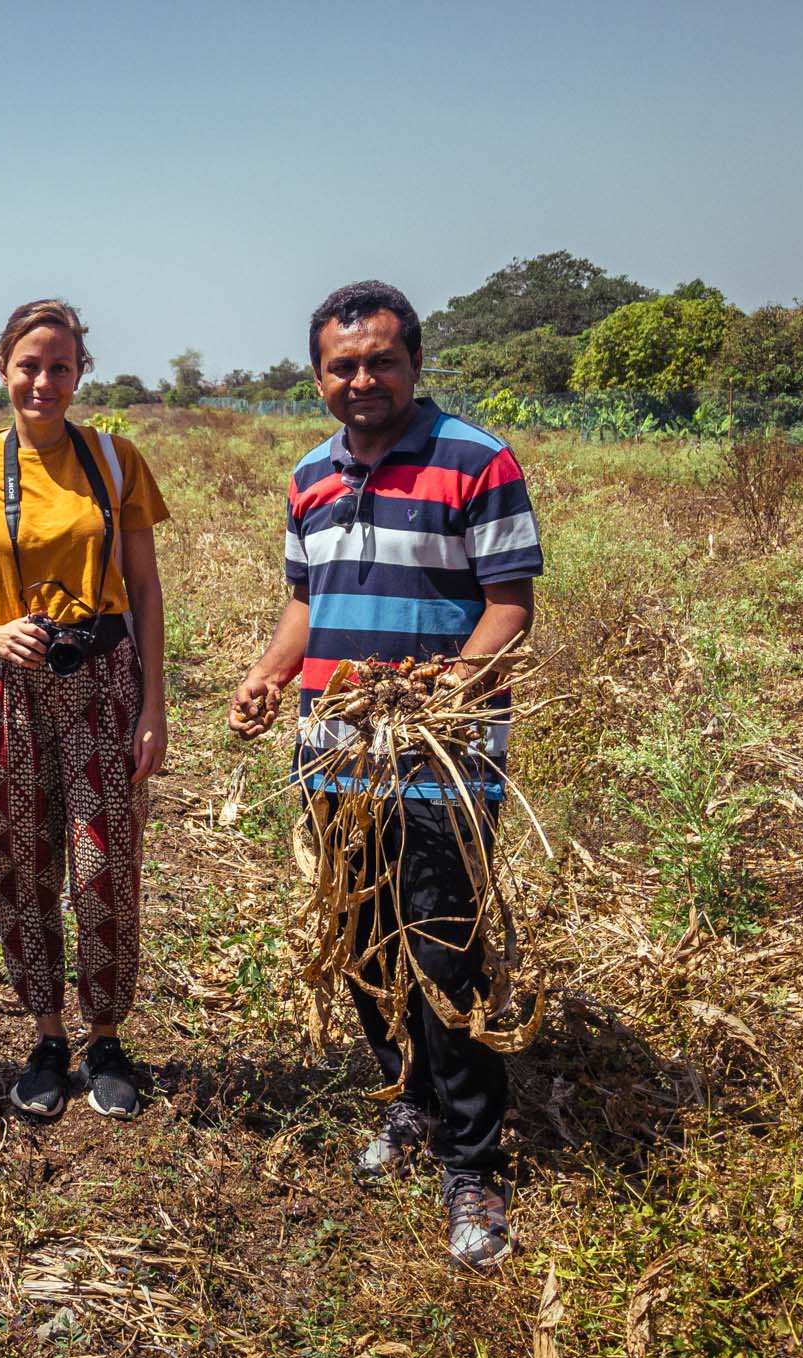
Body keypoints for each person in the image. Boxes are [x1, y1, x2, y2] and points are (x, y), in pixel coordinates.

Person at [228, 281, 542, 1270]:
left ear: (413, 362)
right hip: (335, 761)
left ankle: (472, 1165)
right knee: (360, 942)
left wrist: (440, 693)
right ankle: (406, 1099)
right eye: (341, 365)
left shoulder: (476, 462)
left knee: (446, 959)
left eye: (379, 362)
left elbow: (508, 608)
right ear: (317, 373)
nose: (360, 381)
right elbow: (303, 605)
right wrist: (268, 676)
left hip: (439, 764)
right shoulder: (309, 475)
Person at [0, 299, 170, 1121]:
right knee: (23, 860)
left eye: (60, 366)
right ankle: (48, 1034)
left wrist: (154, 702)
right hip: (6, 687)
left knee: (103, 866)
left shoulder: (115, 460)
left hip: (101, 680)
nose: (43, 381)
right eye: (29, 364)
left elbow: (148, 588)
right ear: (1, 367)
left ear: (80, 373)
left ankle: (106, 1037)